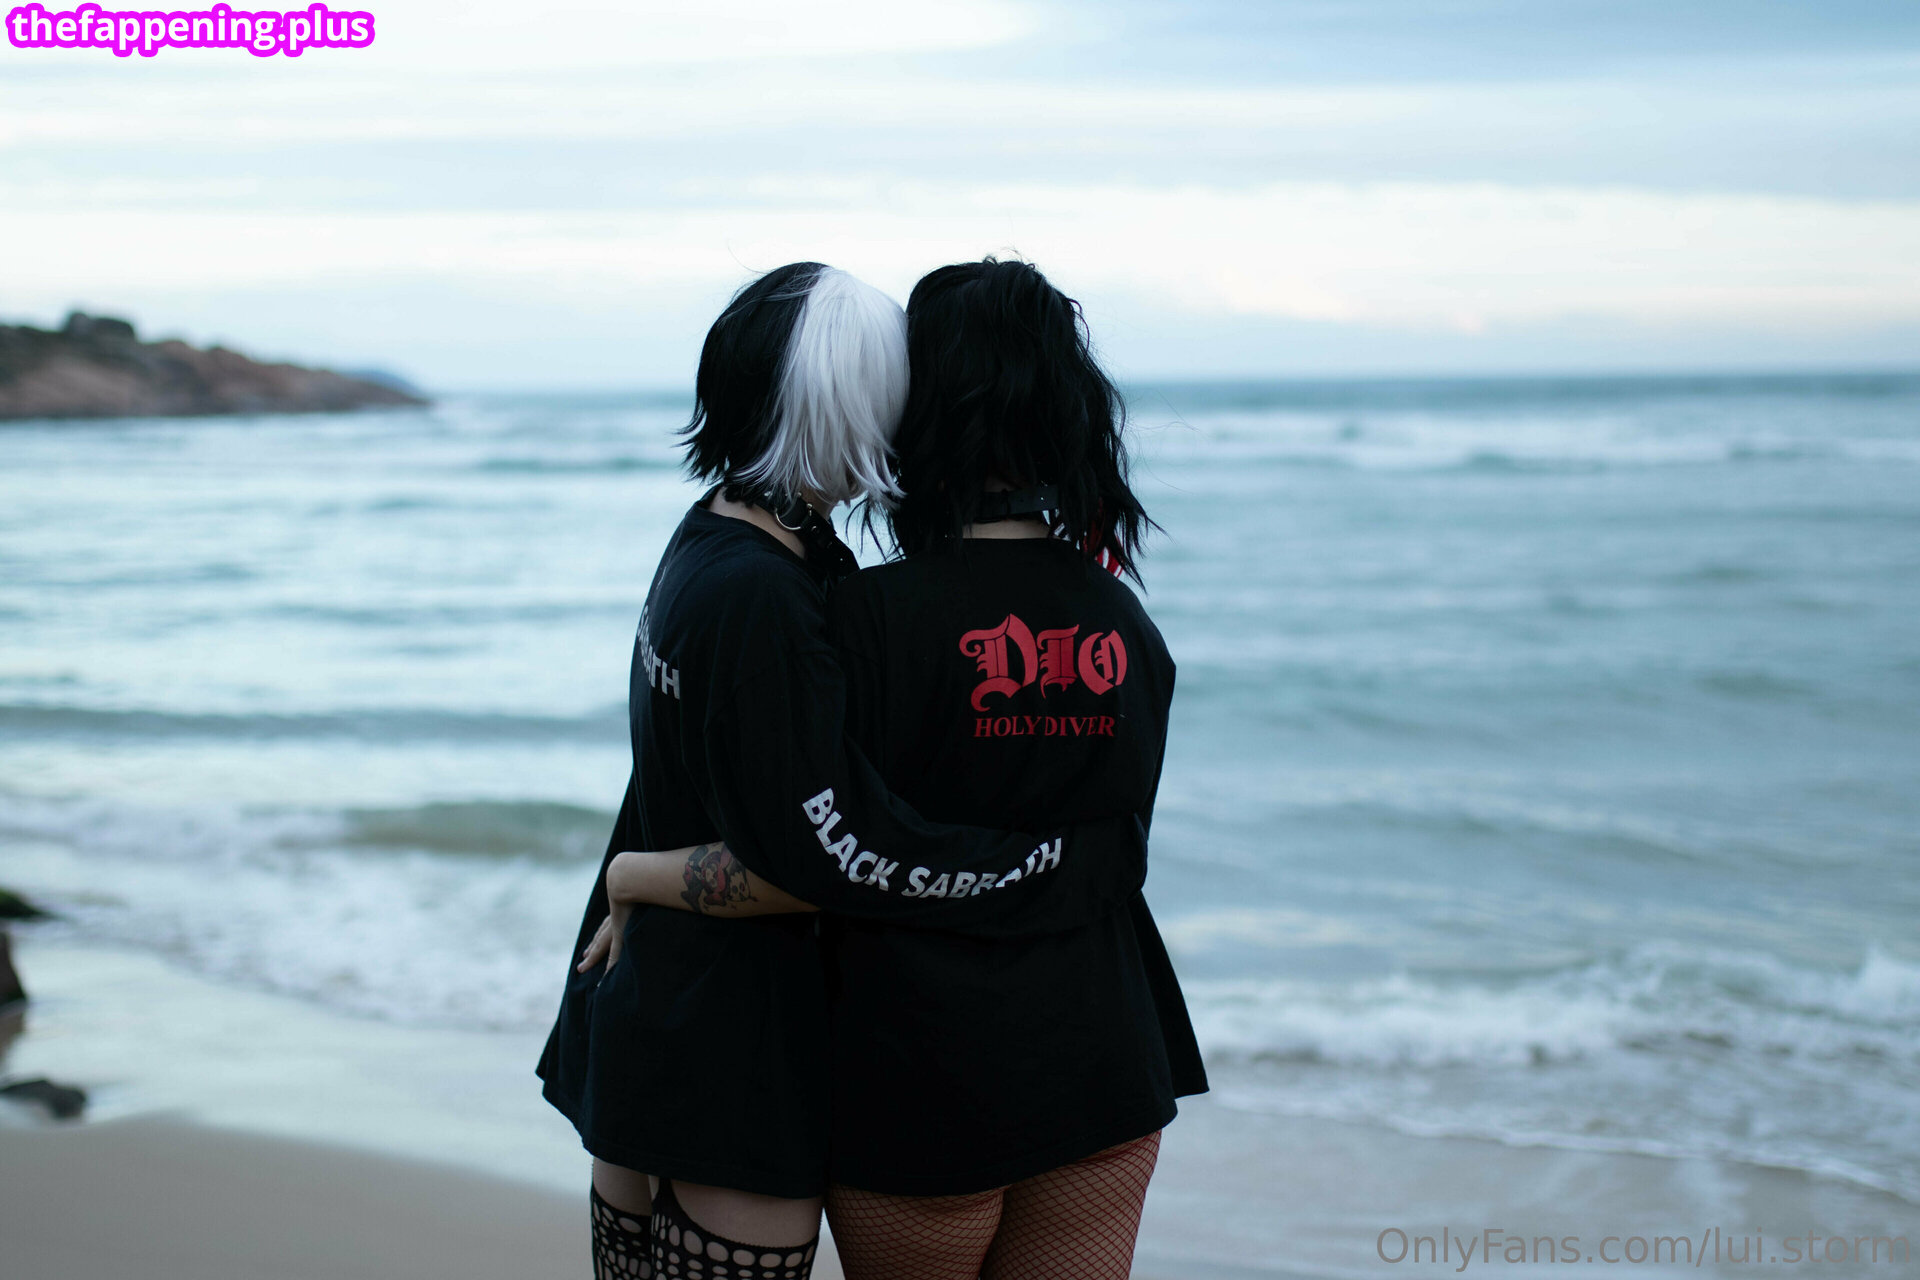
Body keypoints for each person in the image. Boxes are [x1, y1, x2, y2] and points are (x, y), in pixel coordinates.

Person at [536, 261, 1151, 1280]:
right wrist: (1046, 861)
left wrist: (636, 874)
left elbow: (738, 799)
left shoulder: (738, 545)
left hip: (700, 1025)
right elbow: (824, 850)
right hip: (735, 1054)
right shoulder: (774, 598)